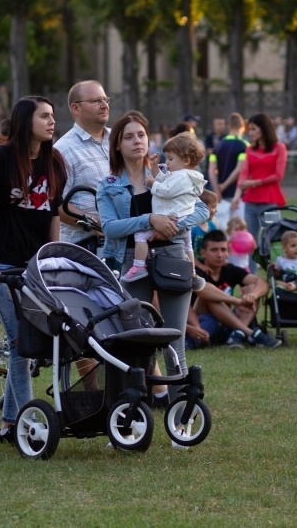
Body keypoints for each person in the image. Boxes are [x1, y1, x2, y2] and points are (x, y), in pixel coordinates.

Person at [96, 113, 210, 432]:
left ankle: (180, 423)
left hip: (172, 257)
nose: (138, 141)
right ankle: (130, 422)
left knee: (174, 341)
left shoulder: (169, 172)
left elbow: (201, 209)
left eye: (142, 135)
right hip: (133, 260)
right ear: (117, 144)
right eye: (129, 136)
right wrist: (149, 221)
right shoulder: (108, 185)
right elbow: (110, 228)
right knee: (132, 344)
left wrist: (171, 225)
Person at [0, 96, 66, 445]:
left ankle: (9, 423)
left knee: (29, 341)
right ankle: (30, 420)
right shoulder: (0, 158)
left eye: (53, 116)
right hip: (2, 263)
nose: (51, 121)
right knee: (18, 340)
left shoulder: (54, 161)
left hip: (36, 265)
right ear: (26, 119)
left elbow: (54, 213)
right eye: (44, 116)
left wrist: (54, 257)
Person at [120, 131, 207, 292]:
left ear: (186, 160)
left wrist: (152, 184)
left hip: (171, 218)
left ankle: (138, 265)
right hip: (182, 219)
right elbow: (166, 181)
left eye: (171, 159)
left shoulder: (182, 176)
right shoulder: (183, 175)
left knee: (140, 235)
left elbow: (166, 190)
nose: (167, 163)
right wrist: (154, 168)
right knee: (188, 246)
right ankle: (193, 273)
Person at [187, 230, 279, 349]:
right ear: (203, 252)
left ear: (228, 252)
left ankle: (237, 335)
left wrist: (253, 295)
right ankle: (249, 332)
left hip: (227, 321)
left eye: (223, 250)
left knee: (251, 289)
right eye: (214, 250)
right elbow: (202, 289)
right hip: (203, 322)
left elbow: (263, 283)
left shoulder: (230, 270)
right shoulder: (196, 271)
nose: (219, 255)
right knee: (209, 296)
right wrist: (236, 301)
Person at [55, 80, 111, 252]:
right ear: (75, 108)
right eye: (96, 101)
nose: (104, 105)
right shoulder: (61, 150)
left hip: (125, 245)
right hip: (85, 248)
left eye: (105, 99)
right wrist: (94, 222)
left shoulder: (120, 140)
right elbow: (57, 204)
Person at [231, 112, 287, 274]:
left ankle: (275, 277)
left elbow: (279, 175)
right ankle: (251, 279)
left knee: (271, 242)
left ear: (263, 129)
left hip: (269, 200)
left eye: (254, 129)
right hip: (251, 201)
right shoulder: (250, 149)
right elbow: (244, 174)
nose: (250, 132)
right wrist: (237, 195)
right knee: (249, 242)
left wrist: (255, 182)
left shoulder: (279, 148)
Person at [208, 112, 248, 228]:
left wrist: (217, 189)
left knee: (223, 229)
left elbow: (211, 170)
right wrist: (224, 185)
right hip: (238, 194)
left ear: (229, 127)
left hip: (221, 196)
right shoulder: (244, 145)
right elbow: (239, 169)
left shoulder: (218, 145)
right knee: (239, 228)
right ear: (242, 126)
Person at [191, 190, 219, 269]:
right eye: (213, 207)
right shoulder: (192, 228)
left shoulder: (212, 225)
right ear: (202, 208)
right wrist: (200, 266)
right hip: (193, 266)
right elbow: (186, 252)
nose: (216, 210)